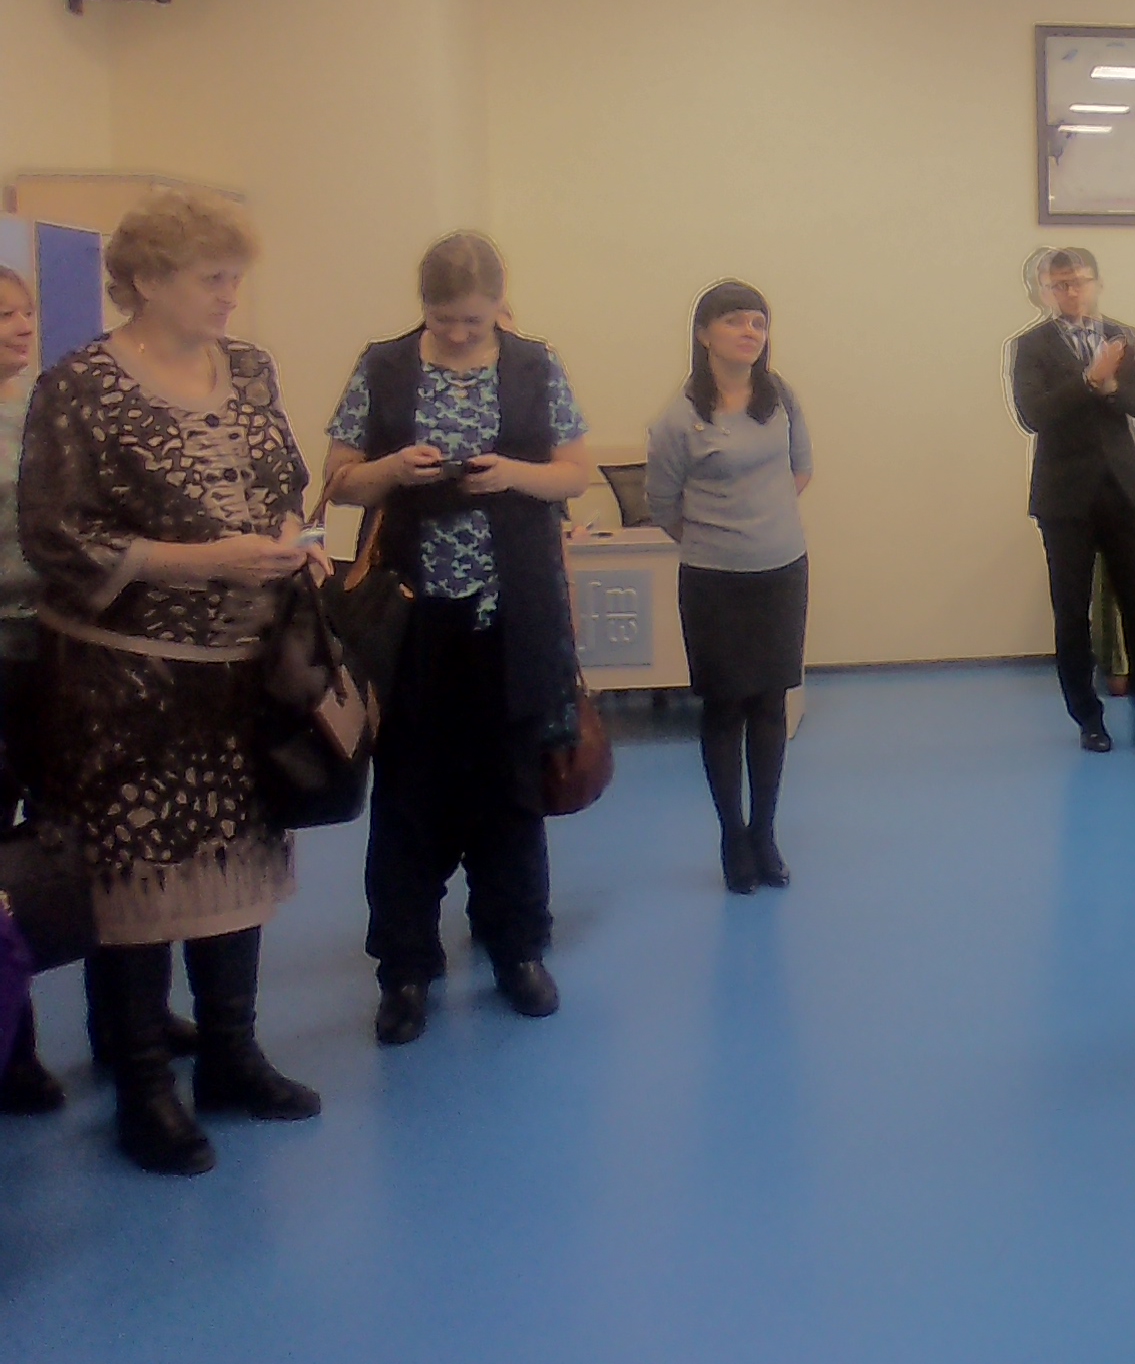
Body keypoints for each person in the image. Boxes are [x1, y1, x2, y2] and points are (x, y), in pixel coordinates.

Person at [16, 195, 327, 1175]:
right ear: (147, 281)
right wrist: (204, 561)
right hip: (124, 682)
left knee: (238, 867)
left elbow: (282, 479)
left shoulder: (251, 369)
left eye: (236, 277)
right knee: (137, 880)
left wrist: (289, 540)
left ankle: (232, 1055)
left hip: (244, 676)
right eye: (211, 279)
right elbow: (57, 534)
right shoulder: (80, 387)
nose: (231, 295)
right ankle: (144, 1084)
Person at [323, 233, 592, 1046]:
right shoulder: (383, 366)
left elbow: (574, 472)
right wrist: (393, 471)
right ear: (424, 308)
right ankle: (405, 966)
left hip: (510, 614)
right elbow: (339, 479)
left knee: (511, 790)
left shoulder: (537, 366)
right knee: (409, 795)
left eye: (474, 320)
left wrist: (511, 475)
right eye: (445, 320)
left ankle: (517, 949)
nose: (461, 333)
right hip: (408, 622)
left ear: (499, 304)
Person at [647, 281, 812, 894]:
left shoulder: (780, 397)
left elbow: (801, 468)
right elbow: (662, 504)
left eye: (759, 323)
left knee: (770, 704)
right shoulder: (678, 417)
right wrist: (721, 535)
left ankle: (764, 834)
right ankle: (731, 838)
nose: (750, 332)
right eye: (736, 321)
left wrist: (763, 519)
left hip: (782, 570)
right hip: (713, 580)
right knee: (723, 707)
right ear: (703, 333)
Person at [1008, 247, 1135, 753]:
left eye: (1080, 281)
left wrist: (1110, 387)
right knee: (1071, 611)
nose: (1072, 292)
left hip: (1124, 491)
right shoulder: (1030, 347)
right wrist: (1088, 380)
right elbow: (1033, 414)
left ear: (1096, 283)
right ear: (1043, 293)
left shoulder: (1123, 338)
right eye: (1060, 284)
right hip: (1064, 499)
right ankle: (1089, 719)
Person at [0, 264, 67, 1117]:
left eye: (25, 312)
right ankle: (13, 1046)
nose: (20, 325)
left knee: (67, 836)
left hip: (53, 646)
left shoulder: (44, 410)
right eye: (1, 314)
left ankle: (129, 1017)